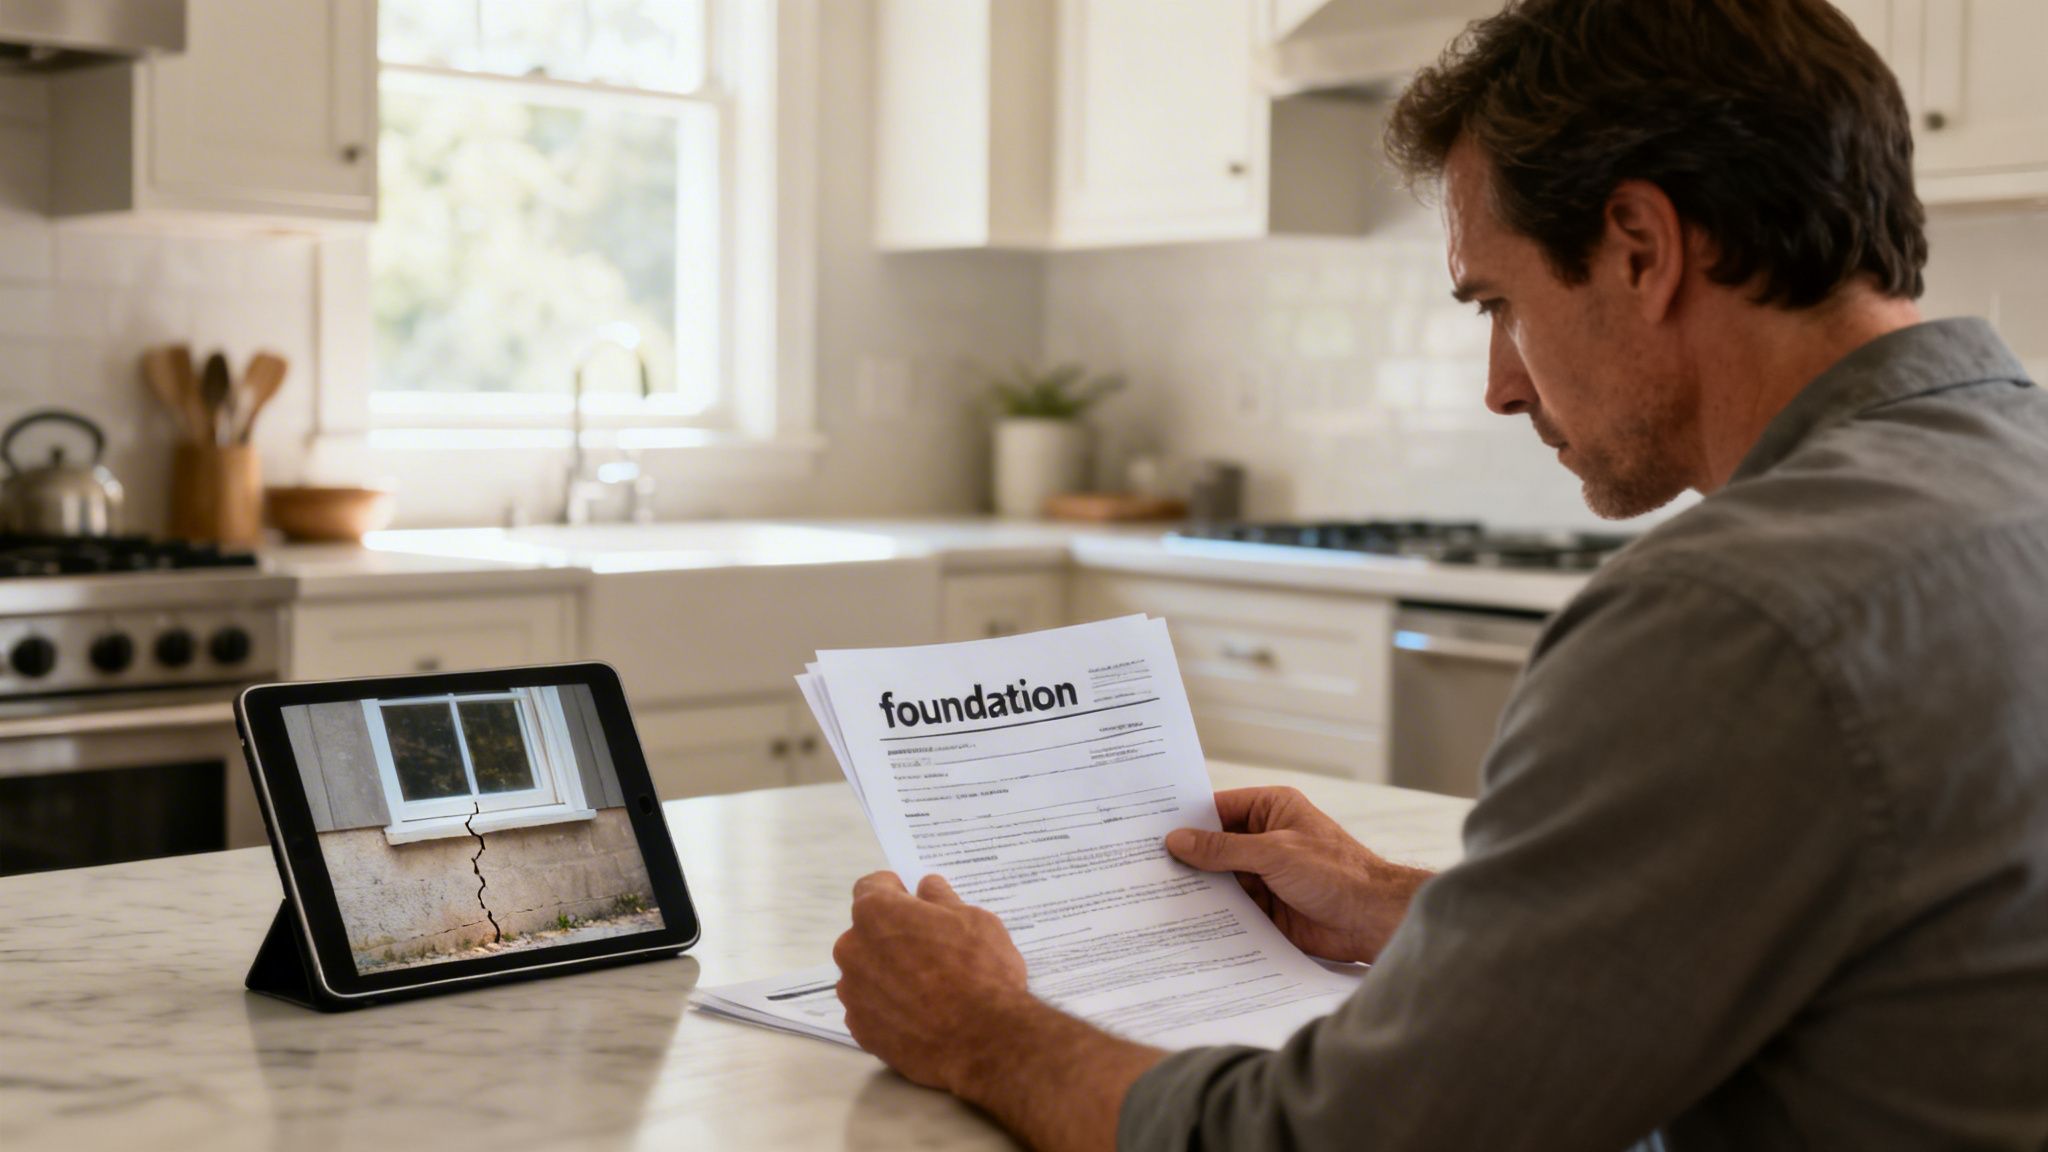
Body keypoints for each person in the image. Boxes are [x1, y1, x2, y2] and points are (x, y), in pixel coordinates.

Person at [832, 1, 2048, 1147]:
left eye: (1498, 303)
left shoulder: (1727, 614)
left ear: (1638, 248)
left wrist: (979, 1028)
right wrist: (1389, 898)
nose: (1500, 384)